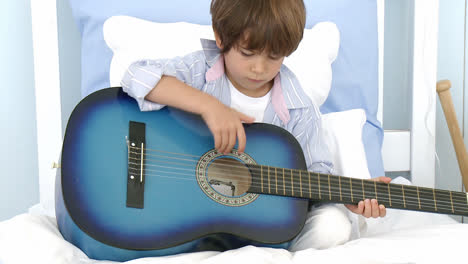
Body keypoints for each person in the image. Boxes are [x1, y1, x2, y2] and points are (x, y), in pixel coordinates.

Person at [121, 0, 391, 251]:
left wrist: (348, 194)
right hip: (183, 206)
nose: (259, 68)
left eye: (273, 57)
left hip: (259, 223)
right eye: (248, 53)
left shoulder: (299, 108)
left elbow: (315, 173)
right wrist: (209, 106)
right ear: (221, 37)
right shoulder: (198, 70)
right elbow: (135, 76)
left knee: (333, 226)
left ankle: (265, 247)